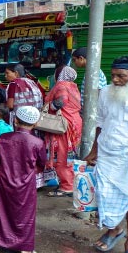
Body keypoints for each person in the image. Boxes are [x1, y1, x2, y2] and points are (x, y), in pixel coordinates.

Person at [84, 56, 128, 253]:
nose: (116, 80)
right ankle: (114, 230)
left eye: (121, 76)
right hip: (108, 154)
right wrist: (94, 150)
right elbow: (100, 122)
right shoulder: (106, 93)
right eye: (113, 75)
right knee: (105, 195)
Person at [0, 106, 46, 253]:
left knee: (0, 211)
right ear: (35, 124)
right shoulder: (38, 143)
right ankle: (24, 248)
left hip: (3, 180)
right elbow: (42, 164)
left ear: (15, 120)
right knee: (25, 214)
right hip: (26, 184)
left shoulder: (3, 138)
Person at [44, 65, 82, 197]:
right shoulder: (73, 86)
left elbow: (61, 101)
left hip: (63, 124)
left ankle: (67, 186)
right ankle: (70, 182)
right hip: (74, 121)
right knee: (70, 154)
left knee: (62, 154)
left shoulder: (61, 86)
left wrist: (48, 107)